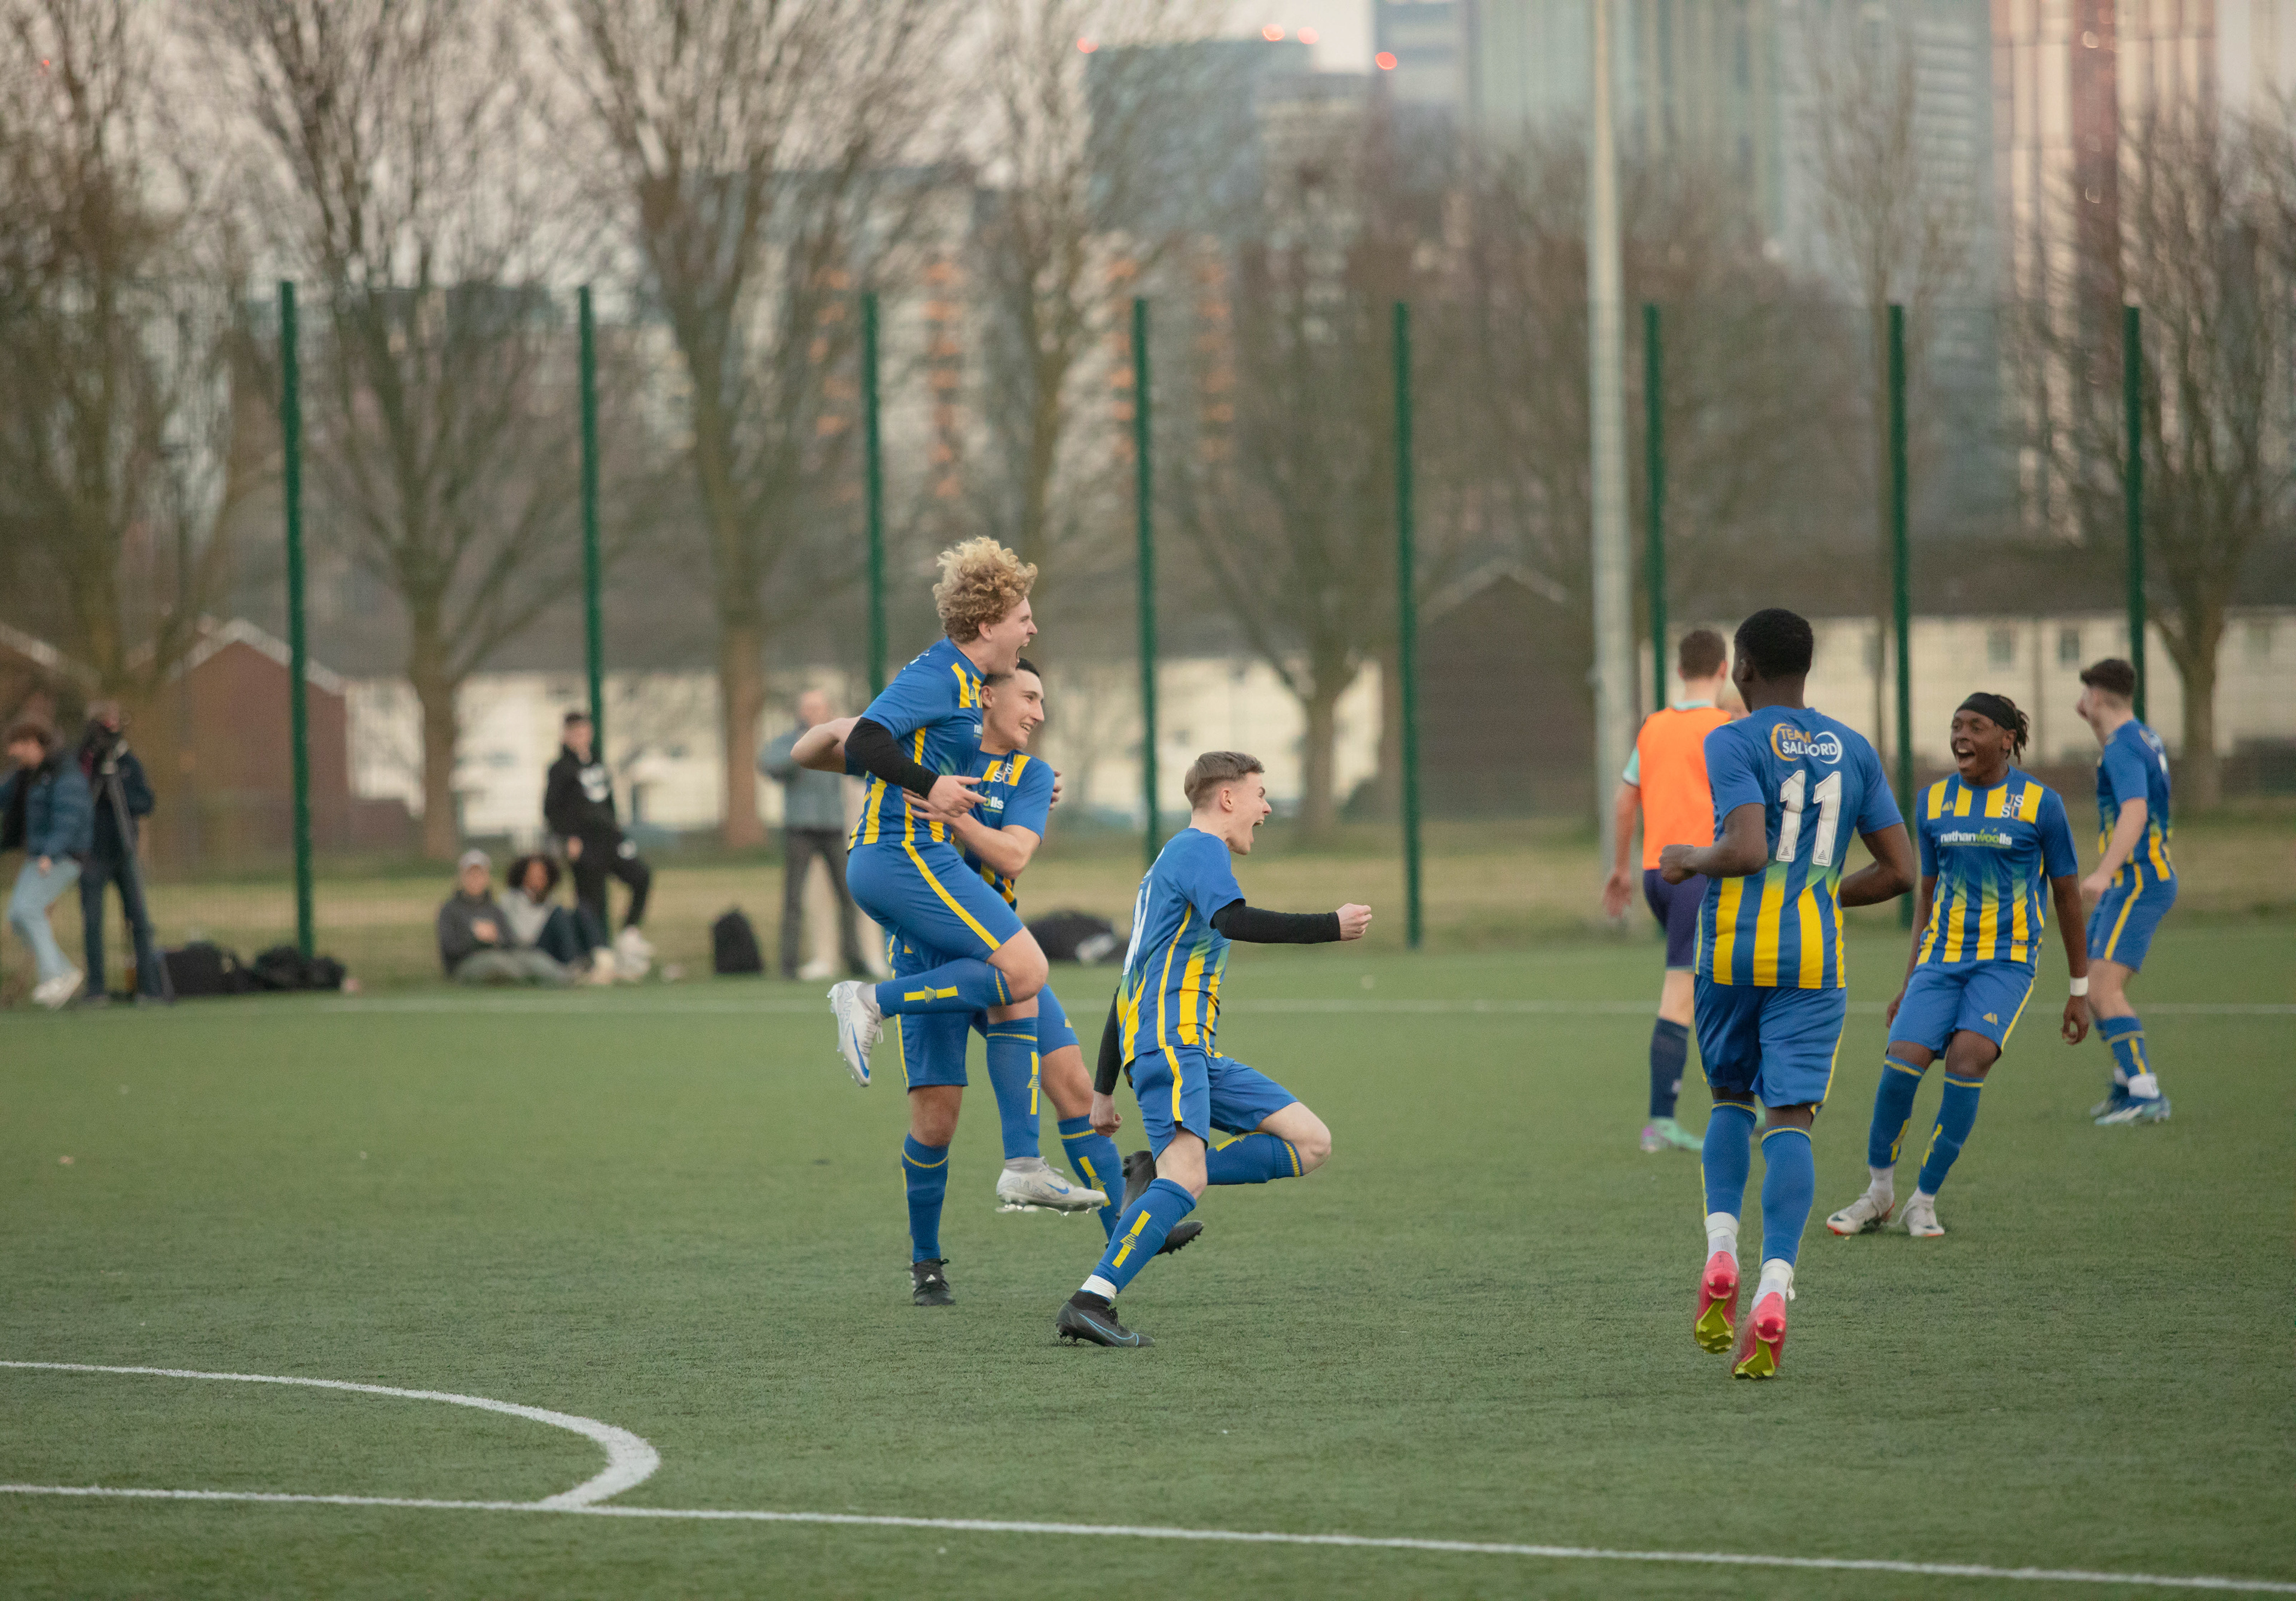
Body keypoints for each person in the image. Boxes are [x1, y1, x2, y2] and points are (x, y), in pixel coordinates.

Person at [793, 660, 1122, 1295]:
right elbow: (809, 752)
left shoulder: (1031, 774)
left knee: (1076, 1088)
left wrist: (957, 816)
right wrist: (857, 724)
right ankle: (926, 1262)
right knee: (935, 1124)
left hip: (999, 958)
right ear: (986, 695)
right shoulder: (928, 750)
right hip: (927, 961)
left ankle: (1126, 1234)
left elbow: (1015, 856)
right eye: (1029, 696)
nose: (1039, 712)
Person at [1656, 609, 1914, 1380]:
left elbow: (1745, 849)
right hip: (1812, 962)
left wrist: (1686, 857)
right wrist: (1825, 895)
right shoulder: (1854, 748)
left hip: (1733, 952)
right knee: (1791, 1119)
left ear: (1742, 668)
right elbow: (1901, 871)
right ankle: (1774, 1288)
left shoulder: (1732, 739)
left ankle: (1722, 1252)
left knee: (1731, 1101)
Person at [1054, 750, 1372, 1349]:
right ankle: (1091, 1300)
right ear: (1227, 797)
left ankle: (1156, 1180)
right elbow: (1234, 920)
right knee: (1188, 1174)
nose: (1267, 808)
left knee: (1310, 1142)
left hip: (1188, 1052)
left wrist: (1102, 1090)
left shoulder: (1170, 865)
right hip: (1169, 1045)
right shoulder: (1200, 848)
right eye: (1260, 794)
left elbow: (1126, 986)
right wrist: (1329, 925)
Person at [819, 538, 1058, 1309]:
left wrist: (991, 790)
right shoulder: (940, 673)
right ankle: (868, 999)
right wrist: (933, 786)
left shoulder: (962, 682)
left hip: (912, 862)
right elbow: (864, 740)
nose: (1031, 629)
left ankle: (1025, 1168)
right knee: (1026, 969)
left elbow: (924, 749)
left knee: (1012, 996)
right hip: (900, 856)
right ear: (987, 621)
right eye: (1022, 617)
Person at [1825, 694, 2089, 1242]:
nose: (1961, 736)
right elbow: (1926, 895)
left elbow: (2067, 895)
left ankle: (1923, 1200)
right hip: (1939, 961)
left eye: (1976, 726)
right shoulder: (1933, 801)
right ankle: (1878, 1193)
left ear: (2007, 739)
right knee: (1900, 1065)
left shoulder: (2042, 805)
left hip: (2007, 963)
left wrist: (2079, 989)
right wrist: (1908, 982)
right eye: (1955, 726)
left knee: (1968, 1059)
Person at [1602, 629, 1734, 1152]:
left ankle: (1745, 1103)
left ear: (1679, 671)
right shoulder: (1726, 727)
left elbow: (1623, 802)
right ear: (1723, 670)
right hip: (1699, 875)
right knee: (1682, 994)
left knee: (1715, 983)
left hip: (1657, 874)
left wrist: (1621, 869)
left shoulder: (1653, 726)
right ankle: (1660, 1121)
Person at [2074, 659, 2177, 1126]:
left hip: (2138, 879)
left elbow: (2134, 812)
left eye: (2086, 696)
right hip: (2133, 879)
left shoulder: (2121, 748)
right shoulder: (2141, 737)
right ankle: (2125, 1085)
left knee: (2103, 988)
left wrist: (2102, 872)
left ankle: (2145, 1093)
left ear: (2096, 696)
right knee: (2091, 983)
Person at [759, 689, 870, 981]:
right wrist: (804, 747)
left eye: (818, 707)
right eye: (807, 707)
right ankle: (788, 965)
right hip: (800, 828)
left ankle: (855, 959)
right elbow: (770, 765)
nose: (812, 713)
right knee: (794, 898)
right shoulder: (789, 742)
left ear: (827, 710)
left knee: (848, 894)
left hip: (833, 826)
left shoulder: (839, 740)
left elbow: (863, 768)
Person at [544, 711, 652, 981]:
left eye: (584, 732)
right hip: (584, 845)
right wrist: (568, 837)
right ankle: (598, 958)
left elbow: (608, 804)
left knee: (641, 876)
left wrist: (618, 832)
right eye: (575, 732)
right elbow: (551, 810)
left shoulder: (598, 764)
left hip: (609, 841)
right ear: (566, 735)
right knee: (590, 903)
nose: (581, 737)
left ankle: (628, 934)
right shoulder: (560, 769)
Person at [75, 701, 165, 1005]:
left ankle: (149, 988)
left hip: (125, 852)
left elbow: (146, 803)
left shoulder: (129, 764)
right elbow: (78, 803)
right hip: (92, 854)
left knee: (139, 920)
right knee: (92, 923)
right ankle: (96, 989)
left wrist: (119, 791)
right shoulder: (83, 764)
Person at [2, 716, 93, 1008]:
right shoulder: (29, 774)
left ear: (33, 743)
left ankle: (54, 975)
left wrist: (50, 854)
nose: (13, 754)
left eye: (16, 747)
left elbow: (69, 818)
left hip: (61, 857)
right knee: (18, 916)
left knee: (28, 909)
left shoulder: (65, 773)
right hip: (38, 856)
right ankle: (64, 972)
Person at [436, 850, 573, 986]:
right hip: (466, 963)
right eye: (471, 875)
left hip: (500, 956)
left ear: (487, 877)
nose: (475, 879)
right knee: (499, 964)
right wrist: (475, 938)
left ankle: (566, 978)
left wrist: (496, 937)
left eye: (480, 874)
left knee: (533, 959)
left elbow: (510, 942)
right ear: (462, 877)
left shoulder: (494, 909)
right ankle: (530, 984)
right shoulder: (450, 910)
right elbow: (450, 949)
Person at [500, 853, 608, 983]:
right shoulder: (511, 900)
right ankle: (573, 964)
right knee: (559, 913)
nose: (537, 879)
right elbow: (521, 936)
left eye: (542, 875)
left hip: (553, 948)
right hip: (532, 948)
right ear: (523, 876)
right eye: (533, 874)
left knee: (581, 910)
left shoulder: (549, 899)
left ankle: (601, 957)